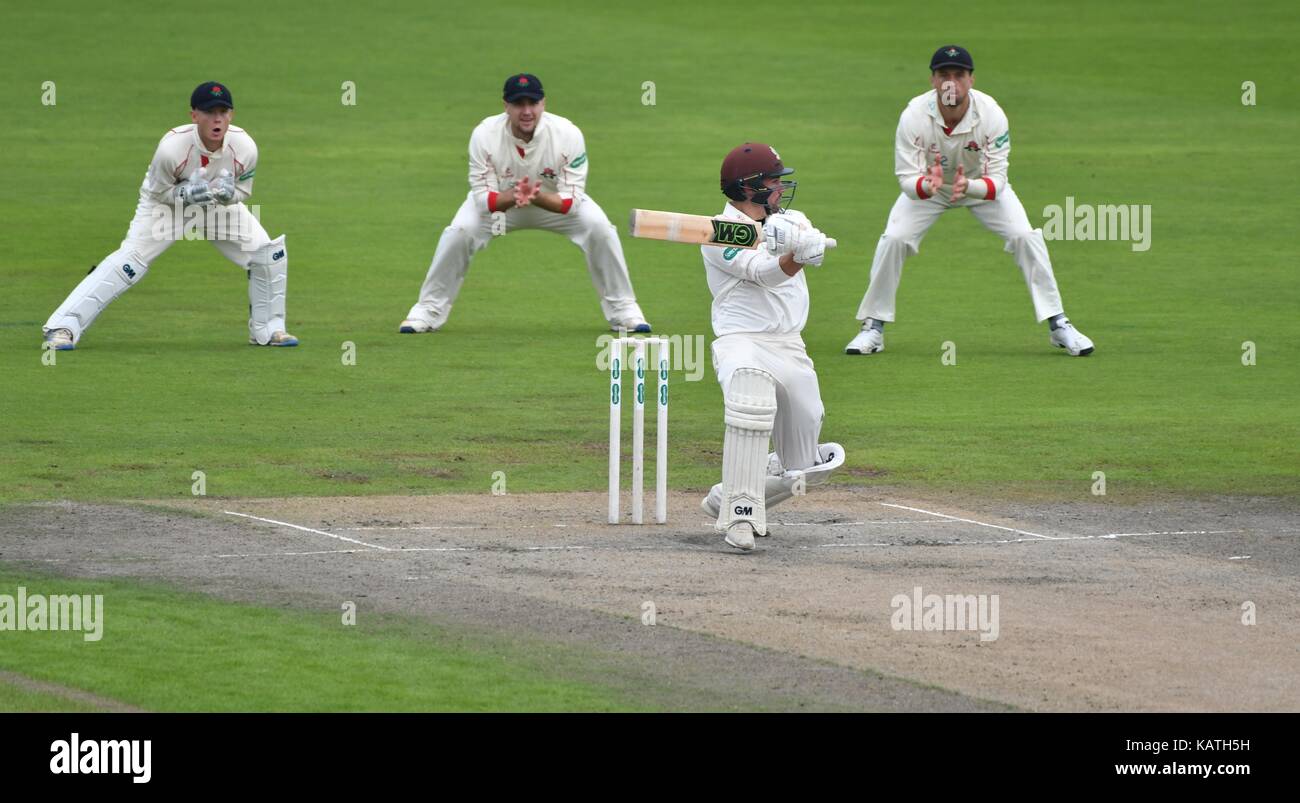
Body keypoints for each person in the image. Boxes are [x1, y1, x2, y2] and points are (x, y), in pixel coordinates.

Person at [845, 45, 1093, 357]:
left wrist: (970, 186)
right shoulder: (913, 116)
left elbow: (999, 181)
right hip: (930, 189)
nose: (951, 82)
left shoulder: (991, 115)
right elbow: (906, 179)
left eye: (958, 75)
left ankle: (1059, 325)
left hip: (980, 186)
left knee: (1024, 236)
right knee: (894, 239)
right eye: (944, 75)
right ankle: (873, 328)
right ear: (933, 80)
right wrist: (928, 184)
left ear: (971, 79)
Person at [42, 81, 295, 350]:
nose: (217, 119)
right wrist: (186, 194)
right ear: (194, 115)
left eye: (223, 111)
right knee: (129, 263)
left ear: (231, 115)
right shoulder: (172, 148)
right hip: (166, 208)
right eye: (209, 112)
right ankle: (62, 326)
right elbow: (159, 192)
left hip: (217, 207)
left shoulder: (245, 147)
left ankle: (269, 330)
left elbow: (243, 190)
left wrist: (227, 195)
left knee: (268, 254)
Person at [399, 73, 651, 334]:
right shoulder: (484, 134)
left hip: (552, 202)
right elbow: (484, 200)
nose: (527, 111)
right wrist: (514, 196)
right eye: (519, 104)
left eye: (533, 103)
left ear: (544, 103)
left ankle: (624, 309)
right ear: (506, 106)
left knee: (599, 228)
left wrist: (537, 196)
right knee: (459, 233)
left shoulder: (568, 134)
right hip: (501, 209)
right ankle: (428, 310)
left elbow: (571, 203)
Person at [699, 143, 845, 552]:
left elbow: (799, 235)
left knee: (808, 467)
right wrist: (795, 257)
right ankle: (740, 519)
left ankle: (726, 495)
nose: (781, 186)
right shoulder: (716, 230)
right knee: (751, 407)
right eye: (773, 180)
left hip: (790, 346)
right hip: (743, 342)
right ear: (748, 188)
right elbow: (762, 273)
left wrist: (802, 241)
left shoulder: (792, 217)